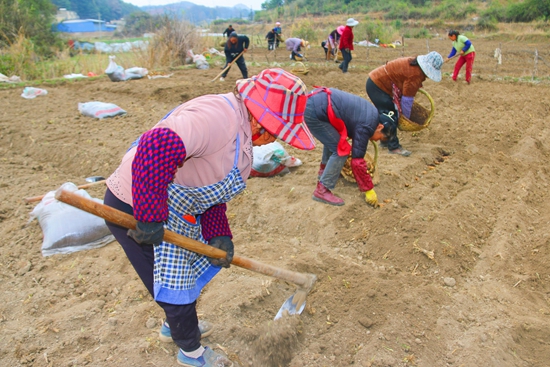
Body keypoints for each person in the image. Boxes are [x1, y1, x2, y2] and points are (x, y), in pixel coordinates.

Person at [103, 68, 314, 367]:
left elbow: (210, 187)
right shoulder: (217, 117)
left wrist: (218, 232)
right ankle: (190, 351)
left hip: (170, 205)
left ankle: (176, 325)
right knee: (173, 284)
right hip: (133, 205)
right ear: (257, 116)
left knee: (182, 274)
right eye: (274, 130)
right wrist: (149, 216)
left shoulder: (241, 134)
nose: (272, 139)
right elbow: (155, 145)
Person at [305, 87, 397, 206]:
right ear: (380, 127)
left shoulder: (372, 114)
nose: (376, 140)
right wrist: (368, 190)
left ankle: (323, 172)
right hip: (314, 111)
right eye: (380, 138)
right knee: (341, 150)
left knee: (335, 142)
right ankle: (322, 190)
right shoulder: (367, 126)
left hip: (316, 102)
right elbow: (357, 161)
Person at [366, 51, 443, 156]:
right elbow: (407, 100)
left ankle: (385, 140)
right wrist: (405, 118)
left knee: (386, 113)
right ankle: (394, 147)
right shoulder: (415, 75)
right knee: (391, 115)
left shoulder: (413, 64)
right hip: (378, 86)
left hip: (375, 83)